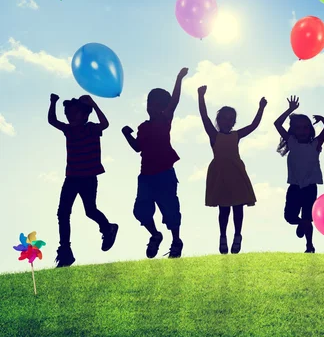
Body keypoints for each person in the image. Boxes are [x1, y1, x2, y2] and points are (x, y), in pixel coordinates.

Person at [122, 68, 188, 259]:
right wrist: (127, 135)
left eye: (157, 104)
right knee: (141, 211)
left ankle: (176, 241)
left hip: (165, 174)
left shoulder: (164, 120)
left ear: (162, 107)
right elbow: (137, 147)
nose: (151, 106)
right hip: (146, 176)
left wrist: (178, 78)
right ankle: (155, 235)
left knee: (170, 209)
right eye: (149, 102)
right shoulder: (143, 127)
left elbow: (175, 101)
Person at [48, 94, 118, 267]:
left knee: (90, 210)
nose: (70, 117)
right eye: (68, 114)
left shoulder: (91, 128)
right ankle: (65, 251)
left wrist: (93, 103)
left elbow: (105, 124)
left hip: (88, 178)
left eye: (73, 114)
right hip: (71, 178)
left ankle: (108, 228)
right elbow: (52, 120)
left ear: (85, 115)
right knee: (62, 212)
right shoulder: (68, 130)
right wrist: (53, 102)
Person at [198, 85, 267, 254]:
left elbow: (254, 125)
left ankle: (237, 235)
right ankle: (222, 236)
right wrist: (201, 96)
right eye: (224, 118)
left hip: (236, 173)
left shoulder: (236, 135)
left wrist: (261, 108)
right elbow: (204, 117)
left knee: (238, 207)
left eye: (231, 119)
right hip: (220, 174)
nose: (227, 121)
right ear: (219, 120)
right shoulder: (214, 135)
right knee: (223, 209)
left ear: (234, 122)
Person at [274, 96, 324, 253]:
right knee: (290, 217)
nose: (303, 131)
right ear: (293, 131)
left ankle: (309, 246)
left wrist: (322, 119)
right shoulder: (292, 142)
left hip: (310, 188)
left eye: (306, 127)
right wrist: (290, 110)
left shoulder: (315, 144)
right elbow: (277, 124)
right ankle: (301, 224)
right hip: (294, 187)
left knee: (308, 218)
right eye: (298, 128)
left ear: (310, 130)